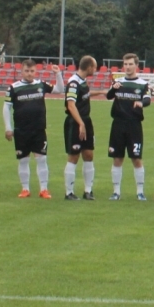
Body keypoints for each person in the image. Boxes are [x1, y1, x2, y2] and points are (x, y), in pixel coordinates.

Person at [4, 58, 60, 199]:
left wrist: (58, 74)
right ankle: (25, 189)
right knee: (23, 160)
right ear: (22, 71)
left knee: (41, 159)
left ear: (36, 71)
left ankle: (44, 189)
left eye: (32, 71)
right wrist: (8, 127)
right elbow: (6, 107)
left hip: (38, 129)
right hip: (21, 130)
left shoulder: (41, 84)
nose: (29, 73)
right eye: (27, 71)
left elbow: (59, 90)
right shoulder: (14, 88)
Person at [106, 54, 152, 201]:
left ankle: (140, 192)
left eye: (130, 64)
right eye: (125, 64)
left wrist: (141, 103)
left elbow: (148, 99)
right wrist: (113, 89)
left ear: (136, 66)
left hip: (134, 124)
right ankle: (116, 192)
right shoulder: (118, 82)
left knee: (136, 158)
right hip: (118, 124)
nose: (127, 67)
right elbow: (108, 96)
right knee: (117, 158)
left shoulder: (143, 84)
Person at [63, 55, 99, 200]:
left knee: (89, 154)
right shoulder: (73, 83)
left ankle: (88, 191)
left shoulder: (83, 81)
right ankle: (69, 192)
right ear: (89, 67)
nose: (95, 70)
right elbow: (71, 105)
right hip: (75, 122)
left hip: (86, 120)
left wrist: (102, 92)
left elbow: (85, 95)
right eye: (94, 67)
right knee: (74, 155)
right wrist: (81, 124)